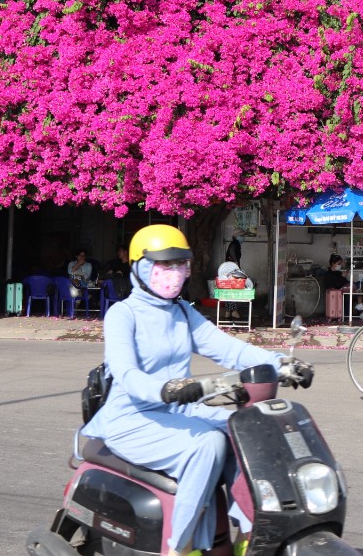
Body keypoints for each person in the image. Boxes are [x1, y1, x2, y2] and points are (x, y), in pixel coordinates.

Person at [81, 224, 287, 556]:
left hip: (179, 409)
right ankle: (181, 544)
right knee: (208, 444)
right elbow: (127, 374)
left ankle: (250, 532)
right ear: (141, 268)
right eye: (165, 265)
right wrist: (167, 389)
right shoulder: (123, 314)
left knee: (243, 430)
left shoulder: (182, 312)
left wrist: (283, 363)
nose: (174, 273)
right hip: (131, 419)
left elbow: (229, 349)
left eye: (180, 264)